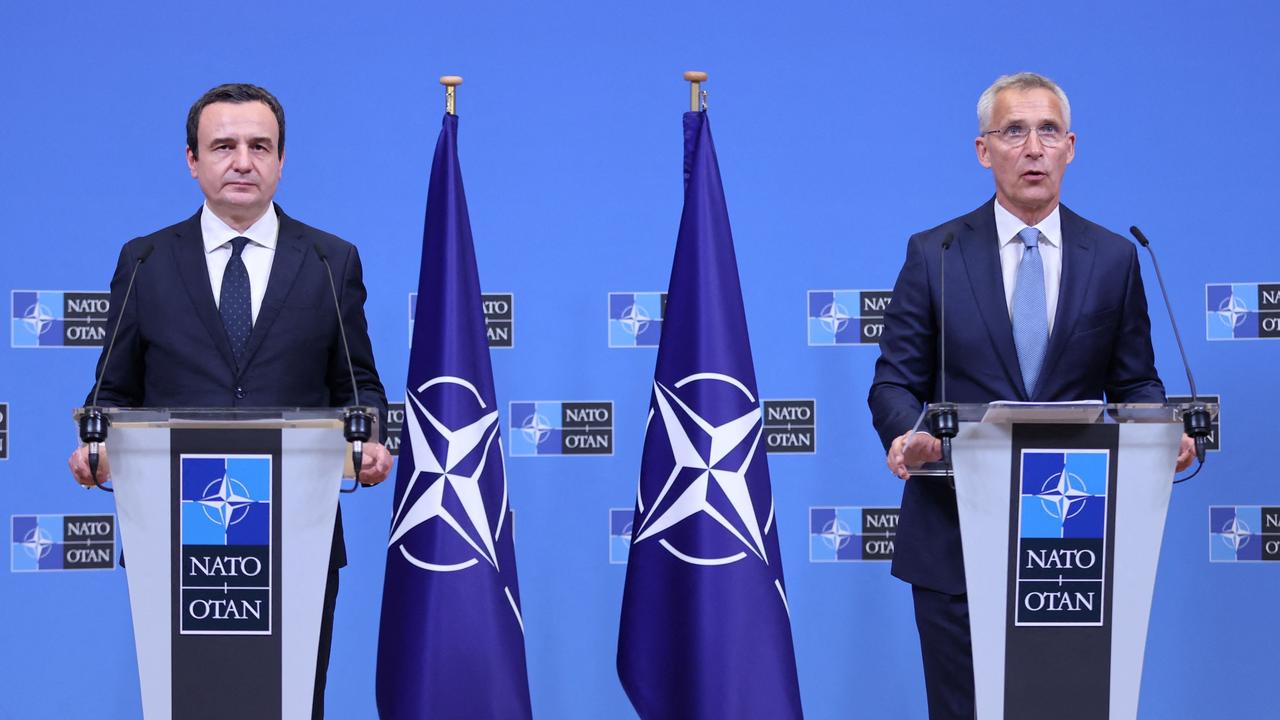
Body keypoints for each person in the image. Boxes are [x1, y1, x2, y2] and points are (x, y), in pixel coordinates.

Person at [867, 72, 1195, 719]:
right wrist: (908, 435)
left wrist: (1163, 430)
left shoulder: (1113, 258)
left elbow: (1134, 382)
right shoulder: (934, 253)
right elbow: (894, 381)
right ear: (984, 150)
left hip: (1070, 535)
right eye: (1013, 131)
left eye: (1048, 130)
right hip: (954, 533)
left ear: (1070, 146)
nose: (1033, 147)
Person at [66, 83, 393, 719]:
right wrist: (94, 447)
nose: (242, 161)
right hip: (174, 525)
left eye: (259, 146)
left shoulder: (330, 260)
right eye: (224, 146)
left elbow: (359, 385)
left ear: (281, 160)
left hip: (296, 526)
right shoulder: (146, 259)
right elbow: (111, 390)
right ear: (193, 160)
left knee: (291, 704)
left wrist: (369, 442)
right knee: (190, 701)